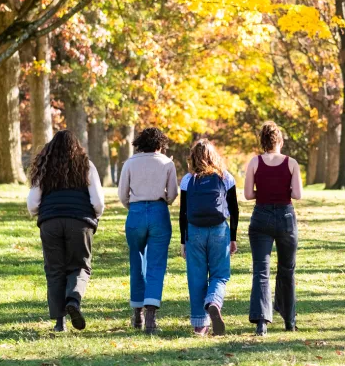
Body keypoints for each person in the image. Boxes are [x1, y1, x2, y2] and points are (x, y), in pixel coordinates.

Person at [27, 129, 105, 332]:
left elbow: (32, 203)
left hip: (50, 222)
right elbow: (98, 201)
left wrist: (43, 214)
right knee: (80, 266)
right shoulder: (86, 165)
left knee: (54, 270)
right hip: (79, 221)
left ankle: (59, 322)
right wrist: (95, 216)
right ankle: (74, 300)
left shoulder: (43, 167)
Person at [243, 121, 303, 336]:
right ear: (280, 141)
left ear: (263, 141)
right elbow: (297, 194)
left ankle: (261, 322)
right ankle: (289, 319)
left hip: (261, 217)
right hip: (286, 217)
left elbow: (248, 195)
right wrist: (281, 190)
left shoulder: (254, 162)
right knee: (287, 269)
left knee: (261, 270)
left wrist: (265, 192)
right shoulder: (291, 163)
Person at [118, 127, 178, 334]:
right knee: (156, 263)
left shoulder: (130, 163)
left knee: (137, 261)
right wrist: (162, 200)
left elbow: (122, 193)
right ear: (160, 145)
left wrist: (133, 206)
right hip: (158, 212)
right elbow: (172, 194)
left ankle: (137, 313)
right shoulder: (167, 163)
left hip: (135, 212)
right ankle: (151, 315)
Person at [179, 139, 239, 336]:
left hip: (194, 231)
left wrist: (183, 241)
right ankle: (213, 301)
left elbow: (183, 213)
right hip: (219, 231)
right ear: (214, 157)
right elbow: (234, 210)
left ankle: (199, 325)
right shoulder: (225, 177)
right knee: (220, 274)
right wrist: (233, 237)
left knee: (196, 277)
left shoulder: (188, 180)